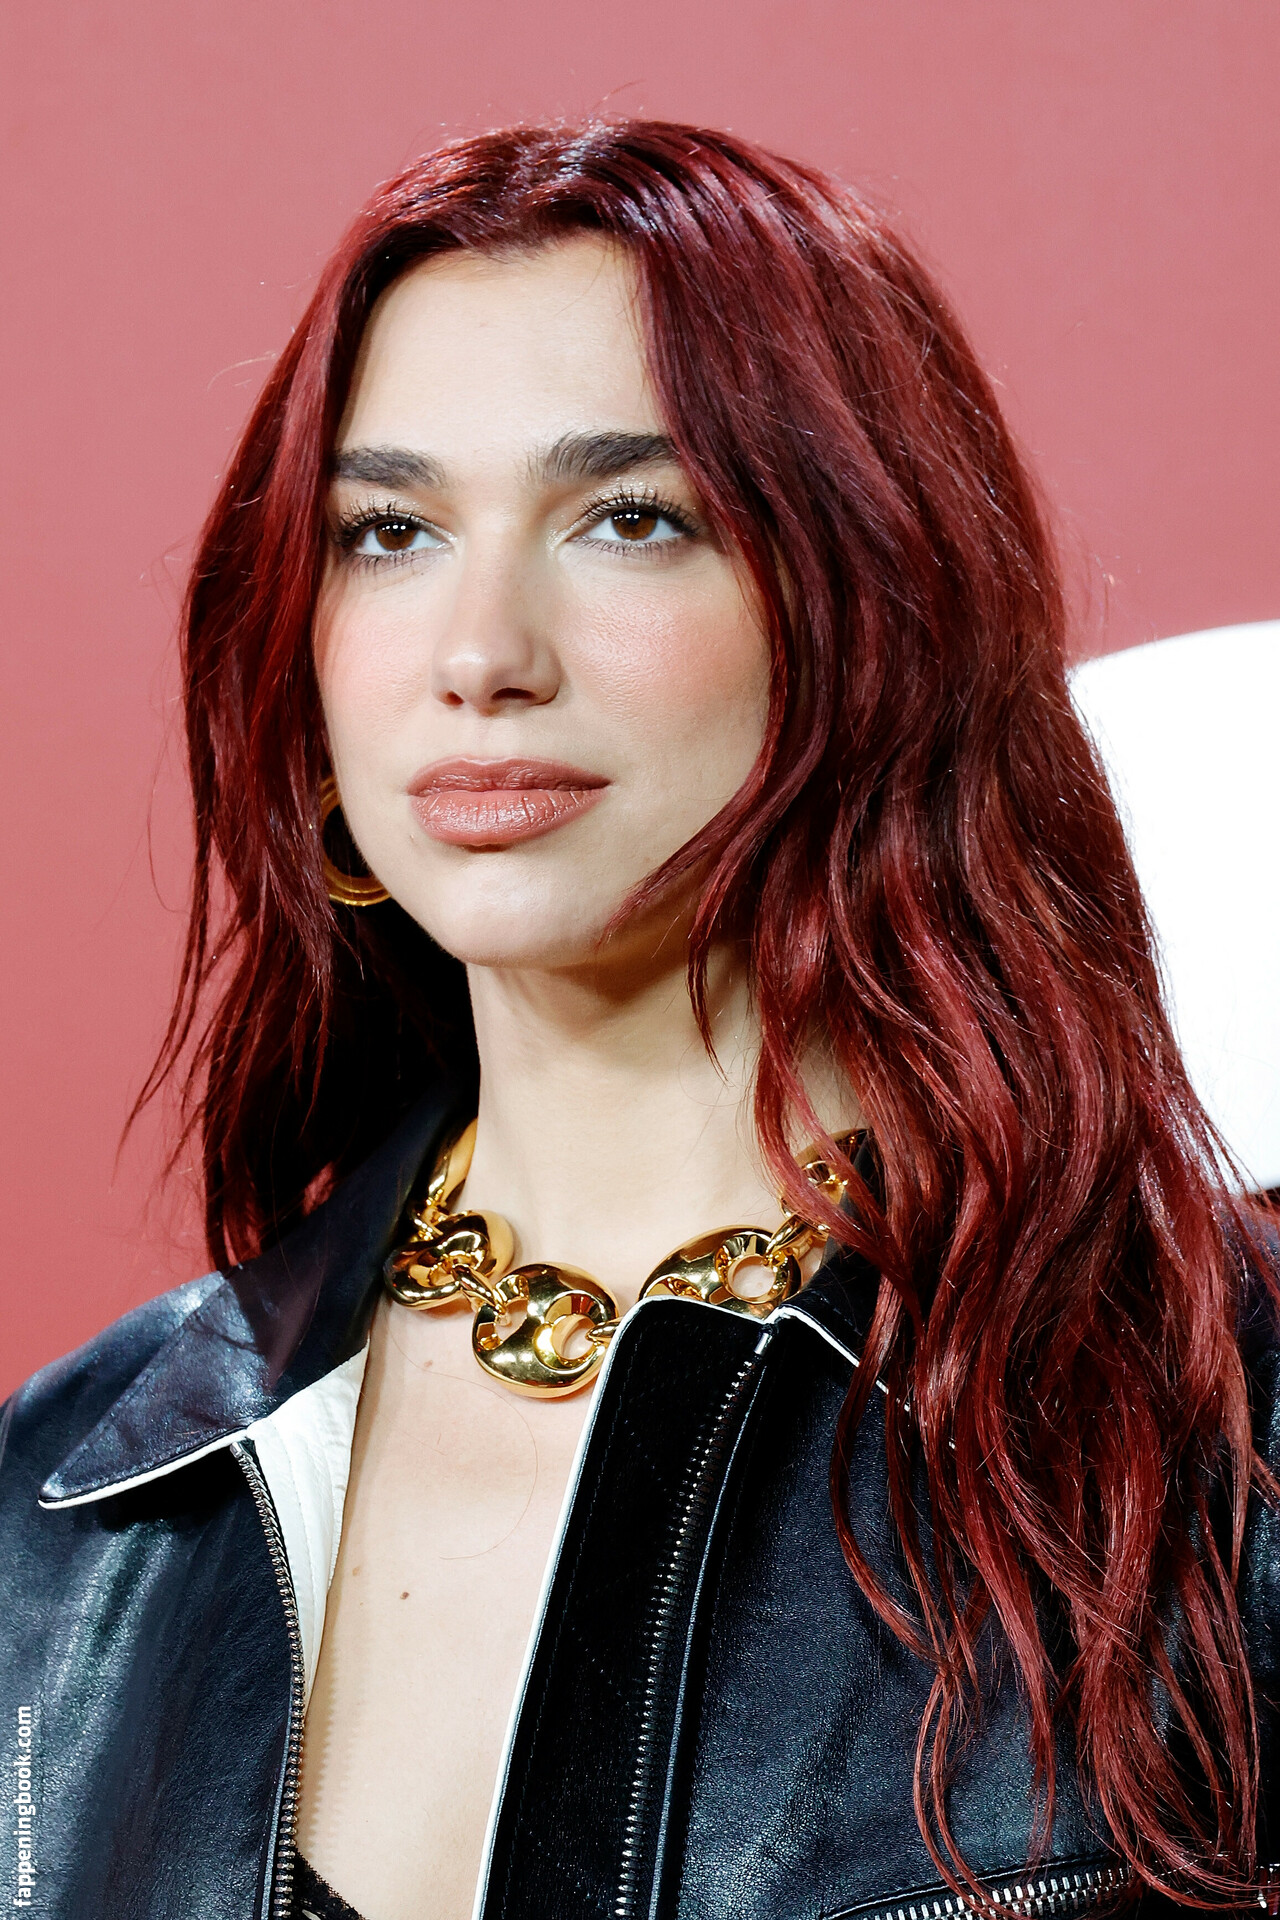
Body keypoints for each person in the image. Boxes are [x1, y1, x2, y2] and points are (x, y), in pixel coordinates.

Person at [0, 120, 1275, 1920]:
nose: (481, 652)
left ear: (872, 604)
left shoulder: (1223, 1437)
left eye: (630, 518)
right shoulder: (72, 1514)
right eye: (389, 531)